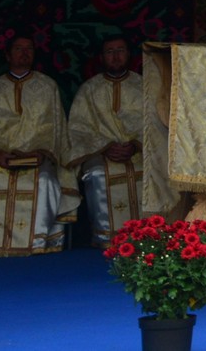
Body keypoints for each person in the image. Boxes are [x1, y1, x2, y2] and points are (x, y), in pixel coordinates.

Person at [0, 36, 79, 255]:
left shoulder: (47, 86)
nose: (24, 53)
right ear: (8, 55)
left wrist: (42, 151)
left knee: (46, 181)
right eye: (18, 49)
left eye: (29, 48)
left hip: (38, 159)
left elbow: (56, 128)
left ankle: (38, 242)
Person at [67, 34, 144, 249]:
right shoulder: (88, 90)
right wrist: (106, 146)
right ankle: (105, 238)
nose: (116, 56)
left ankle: (149, 236)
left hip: (140, 153)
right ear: (101, 57)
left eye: (120, 50)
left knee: (152, 175)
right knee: (98, 175)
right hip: (100, 155)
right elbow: (77, 129)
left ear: (129, 54)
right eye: (110, 52)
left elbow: (156, 124)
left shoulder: (145, 87)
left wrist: (136, 143)